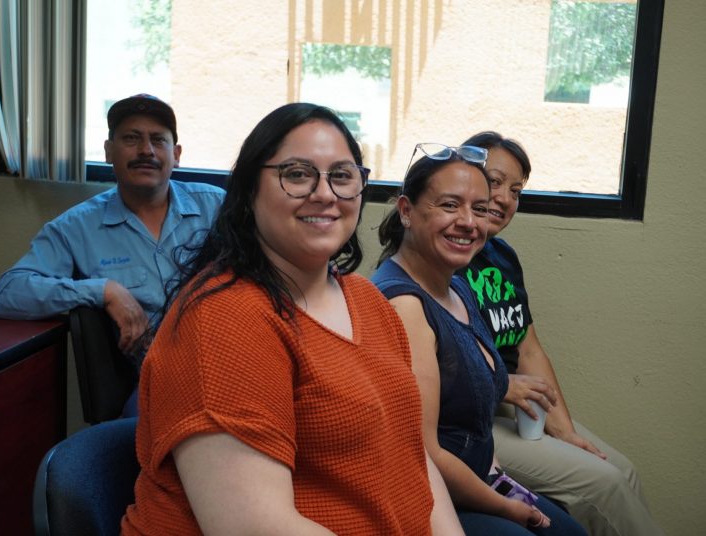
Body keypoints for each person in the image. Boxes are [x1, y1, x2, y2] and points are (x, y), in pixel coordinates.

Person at [120, 103, 463, 535]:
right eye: (297, 174)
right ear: (249, 192)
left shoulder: (368, 300)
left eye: (342, 176)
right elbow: (253, 527)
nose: (325, 194)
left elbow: (411, 455)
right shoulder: (224, 319)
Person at [371, 143, 586, 535]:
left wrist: (504, 484)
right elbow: (424, 452)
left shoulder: (458, 287)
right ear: (406, 211)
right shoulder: (405, 305)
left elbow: (479, 427)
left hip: (480, 480)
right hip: (430, 497)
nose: (469, 222)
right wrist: (505, 506)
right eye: (450, 205)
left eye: (480, 209)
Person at [457, 131, 664, 536]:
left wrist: (564, 430)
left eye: (516, 191)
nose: (504, 199)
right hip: (469, 420)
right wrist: (503, 387)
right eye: (494, 182)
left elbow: (529, 349)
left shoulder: (502, 256)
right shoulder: (446, 254)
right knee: (605, 485)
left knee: (622, 469)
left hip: (513, 408)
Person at [0, 94, 224, 363]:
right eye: (131, 138)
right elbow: (8, 293)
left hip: (227, 364)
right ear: (108, 151)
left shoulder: (217, 207)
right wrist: (103, 291)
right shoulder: (77, 227)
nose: (146, 150)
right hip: (147, 379)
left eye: (158, 139)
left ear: (176, 155)